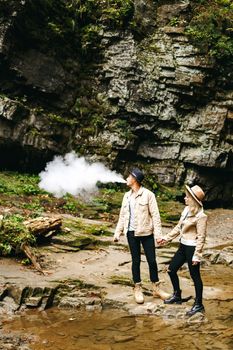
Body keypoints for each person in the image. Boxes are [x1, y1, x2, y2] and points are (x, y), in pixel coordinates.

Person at [113, 168, 170, 304]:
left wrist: (158, 235)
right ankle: (137, 288)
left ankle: (156, 288)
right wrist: (117, 233)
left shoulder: (148, 195)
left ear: (135, 179)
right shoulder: (126, 196)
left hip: (146, 233)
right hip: (131, 233)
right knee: (136, 261)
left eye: (129, 177)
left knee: (152, 261)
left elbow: (155, 215)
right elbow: (122, 215)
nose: (126, 178)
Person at [157, 185, 207, 316]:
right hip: (182, 246)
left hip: (192, 248)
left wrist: (197, 255)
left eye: (187, 197)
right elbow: (178, 228)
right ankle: (177, 295)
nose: (185, 198)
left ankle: (199, 305)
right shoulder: (186, 210)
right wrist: (166, 239)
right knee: (171, 269)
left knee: (195, 277)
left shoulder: (201, 216)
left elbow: (201, 237)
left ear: (194, 200)